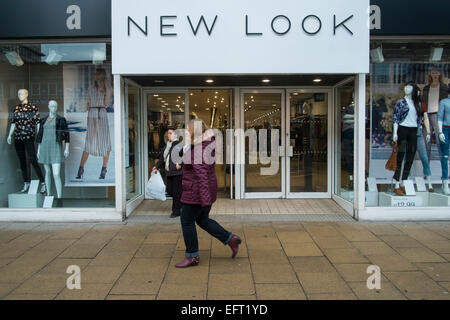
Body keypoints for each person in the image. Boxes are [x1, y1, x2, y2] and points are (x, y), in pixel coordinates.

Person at [175, 119, 241, 268]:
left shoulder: (198, 149)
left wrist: (205, 200)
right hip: (200, 191)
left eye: (187, 129)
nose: (185, 132)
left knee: (186, 221)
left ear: (193, 132)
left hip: (195, 193)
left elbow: (202, 174)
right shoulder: (202, 144)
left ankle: (192, 256)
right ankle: (230, 239)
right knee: (202, 220)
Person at [76, 68, 113, 180]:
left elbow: (106, 103)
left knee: (104, 141)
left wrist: (107, 89)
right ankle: (81, 168)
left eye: (99, 74)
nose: (97, 76)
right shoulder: (91, 87)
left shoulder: (106, 88)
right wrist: (89, 115)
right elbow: (88, 102)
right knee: (89, 142)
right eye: (96, 74)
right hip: (92, 114)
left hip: (101, 113)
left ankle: (104, 168)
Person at [152, 127, 183, 218]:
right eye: (167, 133)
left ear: (175, 135)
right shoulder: (167, 145)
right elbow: (162, 159)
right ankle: (182, 204)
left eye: (170, 133)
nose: (168, 135)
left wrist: (180, 164)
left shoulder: (178, 144)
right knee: (169, 191)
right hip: (169, 172)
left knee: (176, 192)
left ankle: (176, 211)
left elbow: (185, 156)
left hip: (177, 172)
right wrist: (156, 166)